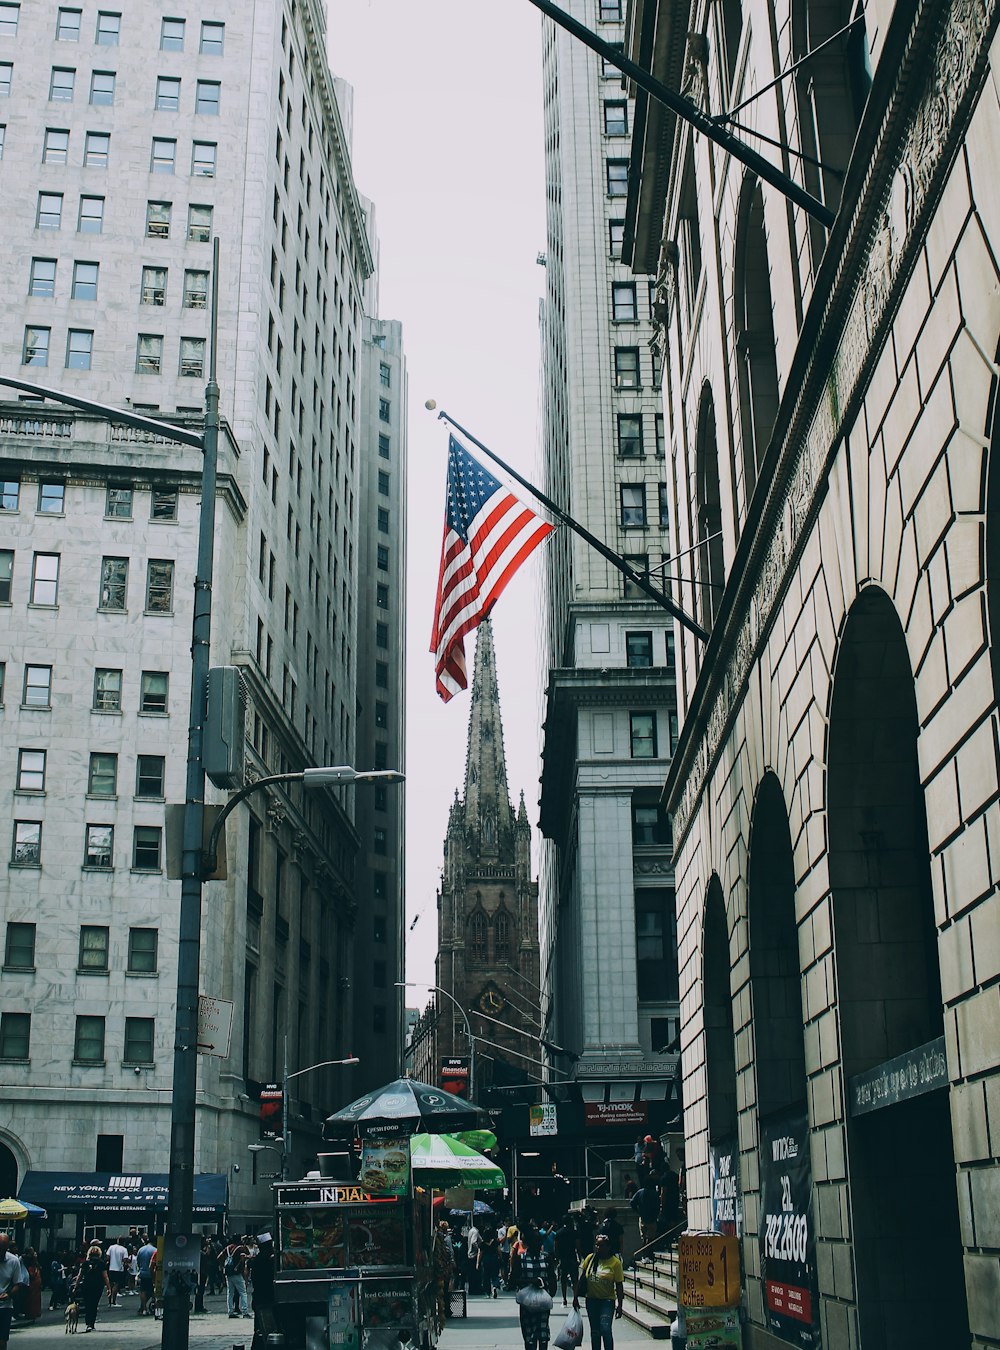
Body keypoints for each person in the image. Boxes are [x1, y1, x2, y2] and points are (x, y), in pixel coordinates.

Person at [573, 1232, 624, 1350]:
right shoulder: (590, 1258)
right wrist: (575, 1297)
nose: (598, 1248)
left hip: (607, 1301)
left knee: (605, 1329)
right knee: (595, 1331)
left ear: (608, 1247)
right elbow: (581, 1279)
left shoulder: (615, 1263)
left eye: (601, 1246)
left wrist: (620, 1305)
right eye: (597, 1245)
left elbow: (619, 1285)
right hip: (592, 1300)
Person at [510, 1225, 553, 1350]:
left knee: (543, 1333)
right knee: (529, 1336)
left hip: (543, 1302)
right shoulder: (520, 1259)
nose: (539, 1243)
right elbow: (513, 1280)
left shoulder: (546, 1257)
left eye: (540, 1241)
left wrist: (550, 1292)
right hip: (527, 1303)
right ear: (528, 1243)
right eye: (536, 1241)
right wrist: (531, 1281)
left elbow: (551, 1277)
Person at [74, 1243, 111, 1333]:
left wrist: (76, 1286)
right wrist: (108, 1288)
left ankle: (88, 1323)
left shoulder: (85, 1263)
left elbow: (80, 1275)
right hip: (98, 1286)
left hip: (87, 1285)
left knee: (87, 1304)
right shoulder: (101, 1263)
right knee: (94, 1304)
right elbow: (105, 1276)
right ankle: (92, 1324)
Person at [249, 1232, 276, 1348]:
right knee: (266, 1327)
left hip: (259, 1297)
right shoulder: (267, 1260)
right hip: (266, 1297)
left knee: (259, 1327)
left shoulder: (258, 1260)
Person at [219, 1234, 251, 1318]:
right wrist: (237, 1267)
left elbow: (219, 1257)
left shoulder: (228, 1248)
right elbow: (242, 1259)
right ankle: (245, 1312)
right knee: (243, 1292)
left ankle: (230, 1312)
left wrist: (223, 1265)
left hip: (228, 1273)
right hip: (237, 1273)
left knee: (230, 1293)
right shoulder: (240, 1248)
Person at [0, 1235, 23, 1350]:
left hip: (5, 1306)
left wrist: (8, 1294)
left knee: (2, 1339)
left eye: (3, 1249)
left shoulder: (13, 1261)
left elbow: (17, 1284)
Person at [630, 1173, 662, 1248]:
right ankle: (647, 1252)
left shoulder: (640, 1192)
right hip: (652, 1218)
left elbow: (632, 1202)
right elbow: (657, 1206)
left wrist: (637, 1211)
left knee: (643, 1237)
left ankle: (644, 1252)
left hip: (642, 1217)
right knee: (651, 1238)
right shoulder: (654, 1194)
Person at [553, 1215, 578, 1308]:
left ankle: (564, 1299)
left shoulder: (558, 1233)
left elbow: (555, 1247)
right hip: (572, 1257)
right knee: (575, 1279)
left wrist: (557, 1257)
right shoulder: (574, 1232)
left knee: (563, 1280)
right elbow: (577, 1245)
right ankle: (575, 1298)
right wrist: (579, 1256)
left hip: (563, 1258)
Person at [135, 1236, 157, 1316]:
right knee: (152, 1292)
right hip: (152, 1274)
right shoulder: (155, 1250)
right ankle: (149, 1307)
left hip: (142, 1273)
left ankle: (143, 1308)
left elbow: (138, 1261)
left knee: (143, 1291)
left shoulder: (141, 1249)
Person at [476, 1228, 501, 1299]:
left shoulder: (482, 1244)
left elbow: (480, 1254)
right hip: (494, 1259)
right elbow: (499, 1251)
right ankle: (495, 1286)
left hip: (486, 1260)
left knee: (486, 1276)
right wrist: (500, 1258)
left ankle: (488, 1292)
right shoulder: (495, 1242)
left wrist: (477, 1263)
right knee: (495, 1275)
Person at [105, 1237, 129, 1307]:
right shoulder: (124, 1249)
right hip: (119, 1268)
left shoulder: (111, 1247)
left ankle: (109, 1302)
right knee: (116, 1285)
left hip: (111, 1268)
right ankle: (114, 1302)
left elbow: (107, 1257)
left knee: (110, 1285)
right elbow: (125, 1260)